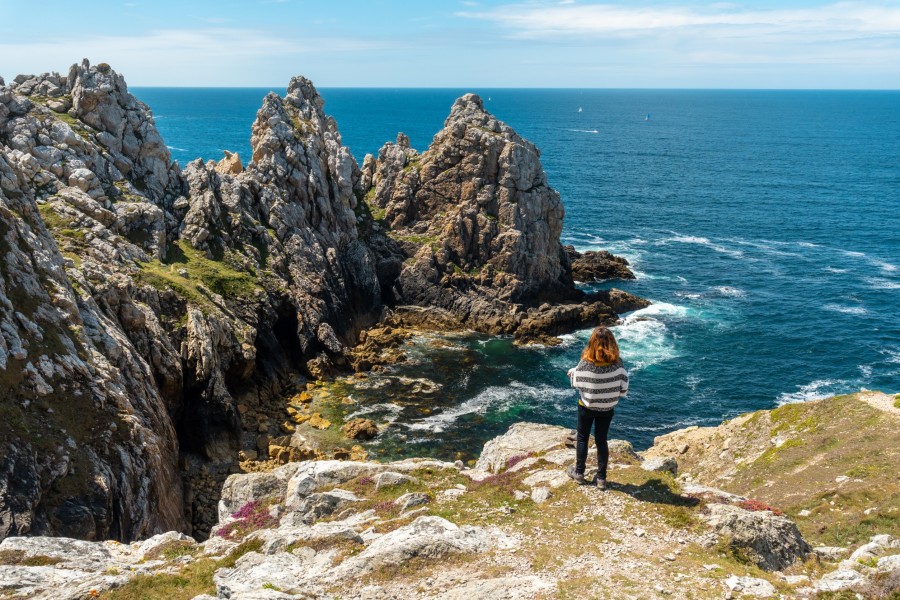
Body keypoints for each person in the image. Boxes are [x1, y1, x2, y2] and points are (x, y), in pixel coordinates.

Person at [566, 326, 629, 490]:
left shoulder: (585, 363)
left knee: (582, 437)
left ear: (592, 343)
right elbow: (623, 390)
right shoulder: (618, 364)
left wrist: (573, 372)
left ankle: (579, 473)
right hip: (607, 409)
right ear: (612, 344)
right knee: (602, 440)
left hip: (586, 406)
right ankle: (601, 479)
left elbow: (576, 383)